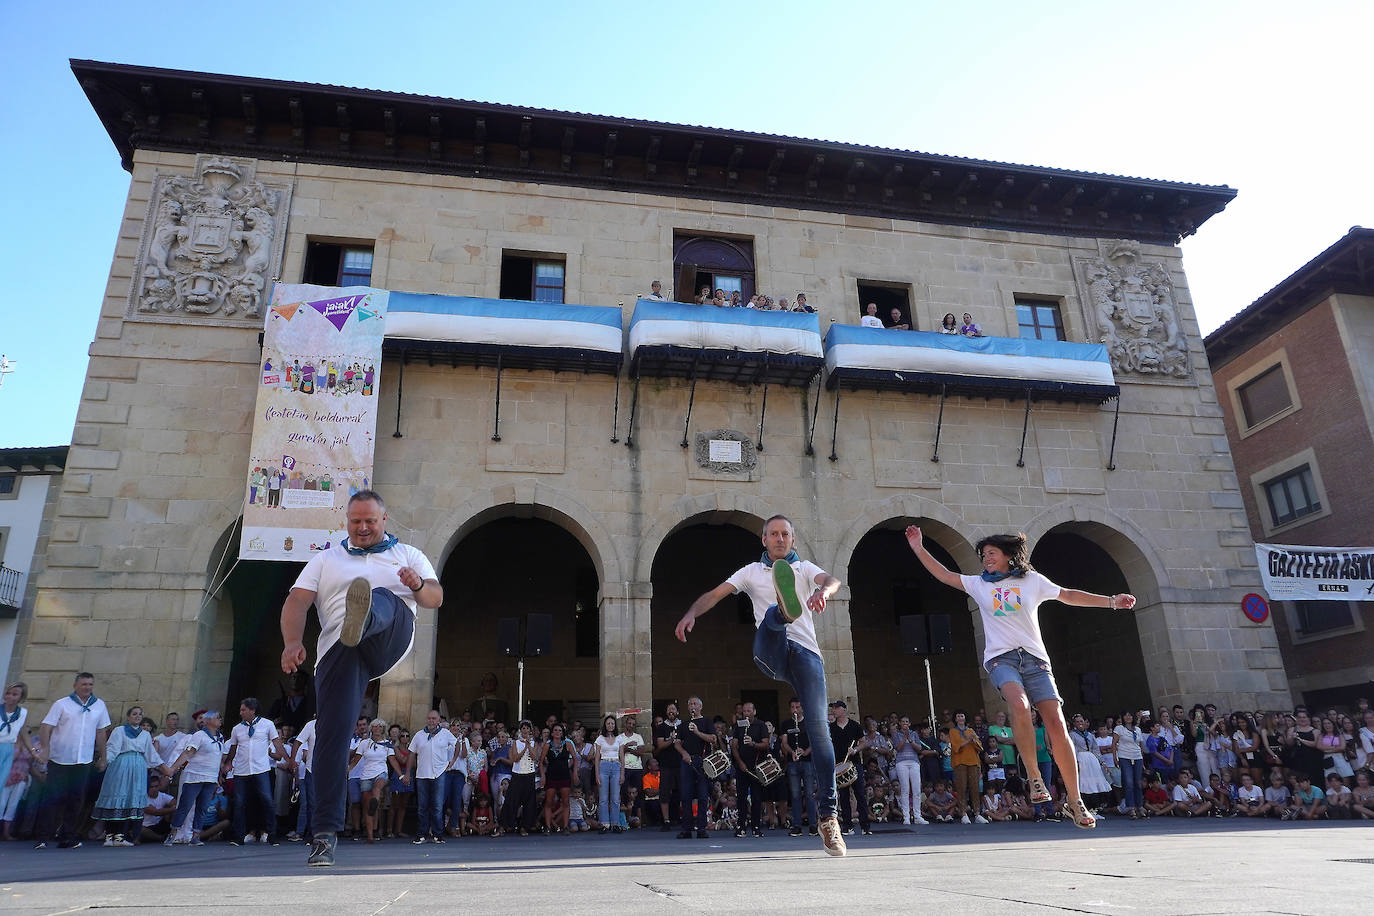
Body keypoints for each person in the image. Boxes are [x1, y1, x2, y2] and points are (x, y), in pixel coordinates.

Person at [904, 527, 1137, 829]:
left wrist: (1111, 601)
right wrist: (918, 547)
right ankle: (1035, 776)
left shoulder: (1032, 581)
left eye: (991, 553)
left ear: (1008, 555)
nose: (986, 558)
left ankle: (1075, 800)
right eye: (983, 555)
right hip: (1001, 658)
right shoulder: (978, 584)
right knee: (1019, 704)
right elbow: (944, 574)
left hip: (1035, 659)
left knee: (1056, 722)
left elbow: (1067, 595)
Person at [279, 489, 443, 866]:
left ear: (384, 519)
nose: (363, 527)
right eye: (356, 521)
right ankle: (324, 834)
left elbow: (435, 598)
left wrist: (417, 585)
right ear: (347, 522)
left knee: (384, 596)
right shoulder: (326, 559)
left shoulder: (407, 555)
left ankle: (365, 615)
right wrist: (292, 643)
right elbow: (297, 601)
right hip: (341, 649)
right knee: (331, 736)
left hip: (389, 634)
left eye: (370, 520)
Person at [676, 514, 846, 856]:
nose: (780, 539)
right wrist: (692, 612)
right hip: (772, 652)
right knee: (770, 620)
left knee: (820, 732)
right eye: (774, 534)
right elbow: (715, 594)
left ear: (793, 540)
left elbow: (832, 580)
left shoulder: (804, 568)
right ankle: (782, 612)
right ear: (764, 539)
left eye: (785, 534)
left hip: (807, 656)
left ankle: (829, 818)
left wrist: (823, 592)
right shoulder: (750, 572)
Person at [35, 672, 111, 849]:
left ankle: (67, 836)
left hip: (83, 760)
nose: (87, 687)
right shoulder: (62, 704)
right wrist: (45, 749)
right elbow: (46, 726)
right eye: (84, 684)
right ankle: (43, 836)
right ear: (75, 686)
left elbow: (101, 732)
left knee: (76, 799)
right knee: (52, 798)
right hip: (60, 759)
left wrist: (103, 757)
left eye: (90, 684)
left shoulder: (99, 705)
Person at [90, 706, 169, 846]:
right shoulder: (120, 730)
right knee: (117, 798)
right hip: (122, 765)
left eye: (140, 714)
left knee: (130, 800)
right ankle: (110, 836)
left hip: (138, 768)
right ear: (128, 717)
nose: (137, 716)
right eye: (134, 714)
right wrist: (104, 761)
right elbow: (112, 748)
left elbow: (151, 754)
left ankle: (120, 836)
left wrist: (165, 768)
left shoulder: (145, 734)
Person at [165, 710, 225, 846]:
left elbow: (218, 758)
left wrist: (220, 775)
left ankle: (195, 836)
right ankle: (173, 834)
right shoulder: (199, 735)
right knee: (185, 805)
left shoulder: (220, 737)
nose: (220, 719)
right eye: (217, 717)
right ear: (208, 721)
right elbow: (188, 753)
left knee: (202, 807)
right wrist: (172, 769)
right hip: (195, 776)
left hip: (210, 778)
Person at [405, 710, 455, 844]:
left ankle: (438, 834)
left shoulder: (445, 733)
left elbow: (457, 745)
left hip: (439, 773)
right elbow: (411, 753)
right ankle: (422, 834)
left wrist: (452, 761)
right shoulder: (419, 735)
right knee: (422, 806)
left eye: (434, 718)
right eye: (429, 718)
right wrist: (408, 773)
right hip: (422, 774)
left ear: (439, 720)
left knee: (437, 806)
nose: (431, 721)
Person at [671, 696, 717, 840]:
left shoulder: (707, 722)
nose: (692, 706)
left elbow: (713, 739)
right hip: (687, 761)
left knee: (703, 796)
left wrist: (697, 732)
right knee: (686, 796)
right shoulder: (683, 724)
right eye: (690, 704)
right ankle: (686, 829)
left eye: (695, 704)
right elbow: (677, 743)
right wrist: (684, 753)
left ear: (700, 707)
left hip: (703, 762)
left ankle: (701, 828)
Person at [347, 718, 399, 843]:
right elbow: (356, 759)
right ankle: (370, 836)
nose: (377, 729)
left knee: (377, 787)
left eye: (380, 726)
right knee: (367, 806)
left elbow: (392, 760)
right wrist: (347, 771)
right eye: (375, 726)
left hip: (381, 772)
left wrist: (401, 775)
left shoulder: (387, 744)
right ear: (371, 728)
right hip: (366, 775)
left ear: (383, 729)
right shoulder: (365, 743)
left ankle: (375, 800)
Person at [730, 701, 770, 838]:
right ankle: (741, 826)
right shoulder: (739, 725)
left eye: (749, 711)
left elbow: (766, 744)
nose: (746, 714)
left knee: (756, 798)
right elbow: (734, 746)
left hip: (756, 767)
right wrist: (740, 762)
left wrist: (753, 744)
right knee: (741, 797)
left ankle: (756, 827)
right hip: (742, 767)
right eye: (744, 711)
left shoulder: (761, 725)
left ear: (754, 712)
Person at [781, 696, 818, 835]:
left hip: (807, 761)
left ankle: (813, 824)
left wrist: (805, 751)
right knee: (795, 795)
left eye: (797, 707)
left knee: (809, 794)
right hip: (793, 762)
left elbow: (815, 741)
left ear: (802, 708)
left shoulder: (809, 722)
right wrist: (792, 752)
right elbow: (784, 742)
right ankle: (797, 825)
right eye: (792, 707)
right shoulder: (786, 724)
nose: (795, 710)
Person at [501, 720, 543, 835]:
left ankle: (525, 826)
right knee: (512, 799)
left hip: (529, 774)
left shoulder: (534, 743)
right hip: (517, 773)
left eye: (527, 728)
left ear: (530, 730)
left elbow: (535, 757)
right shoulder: (516, 743)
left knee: (529, 801)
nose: (525, 730)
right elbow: (515, 758)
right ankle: (507, 824)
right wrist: (524, 748)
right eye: (523, 728)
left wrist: (529, 746)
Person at [890, 715, 927, 827]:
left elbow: (919, 748)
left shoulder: (914, 734)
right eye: (903, 722)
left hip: (914, 761)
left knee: (916, 789)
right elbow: (898, 748)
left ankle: (917, 816)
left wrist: (910, 740)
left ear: (909, 724)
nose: (905, 723)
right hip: (901, 762)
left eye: (907, 722)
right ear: (900, 723)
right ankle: (906, 816)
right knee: (905, 789)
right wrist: (904, 738)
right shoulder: (896, 734)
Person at [653, 702, 682, 830]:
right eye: (669, 709)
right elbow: (660, 745)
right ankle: (666, 820)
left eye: (673, 709)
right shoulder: (662, 727)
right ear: (666, 712)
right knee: (664, 792)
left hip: (681, 764)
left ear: (677, 712)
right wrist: (671, 740)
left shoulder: (683, 725)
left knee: (682, 792)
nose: (671, 711)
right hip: (666, 765)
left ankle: (683, 818)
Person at [542, 723, 575, 834]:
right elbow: (541, 761)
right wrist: (543, 776)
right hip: (551, 775)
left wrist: (575, 773)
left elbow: (575, 759)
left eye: (560, 730)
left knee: (565, 801)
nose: (557, 732)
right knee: (549, 801)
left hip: (564, 775)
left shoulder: (568, 744)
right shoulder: (547, 745)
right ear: (552, 733)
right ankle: (547, 827)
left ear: (562, 733)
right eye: (555, 730)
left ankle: (565, 827)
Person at [593, 715, 622, 835]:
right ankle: (604, 824)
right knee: (603, 798)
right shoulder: (600, 739)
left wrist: (622, 773)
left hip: (616, 765)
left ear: (615, 725)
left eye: (612, 723)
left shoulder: (619, 738)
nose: (610, 725)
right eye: (608, 723)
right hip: (604, 765)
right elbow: (596, 758)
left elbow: (622, 757)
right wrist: (596, 774)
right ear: (605, 725)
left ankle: (615, 824)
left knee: (615, 798)